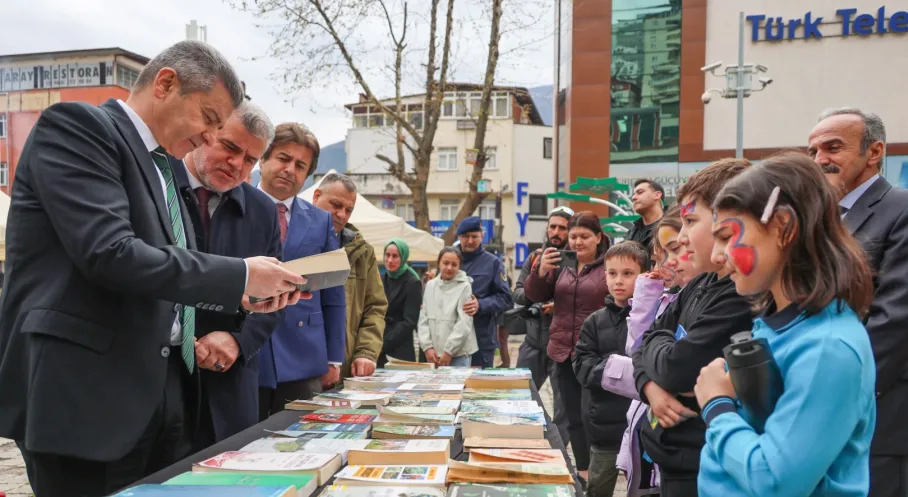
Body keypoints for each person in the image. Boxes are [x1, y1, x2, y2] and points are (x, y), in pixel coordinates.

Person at [0, 41, 305, 497]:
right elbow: (110, 253)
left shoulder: (161, 167)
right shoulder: (80, 127)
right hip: (87, 399)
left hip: (163, 398)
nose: (209, 138)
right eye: (209, 118)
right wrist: (239, 276)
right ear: (165, 84)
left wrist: (245, 298)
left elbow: (162, 273)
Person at [696, 152, 876, 496]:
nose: (717, 256)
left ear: (783, 227)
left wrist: (717, 406)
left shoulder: (828, 348)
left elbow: (773, 481)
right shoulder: (780, 326)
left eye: (727, 236)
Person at [632, 159, 754, 497]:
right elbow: (644, 342)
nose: (683, 238)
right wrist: (650, 387)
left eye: (690, 222)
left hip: (698, 463)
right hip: (670, 454)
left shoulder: (738, 294)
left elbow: (677, 368)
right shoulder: (700, 284)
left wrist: (660, 359)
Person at [170, 102, 285, 447]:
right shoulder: (156, 184)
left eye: (250, 159)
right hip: (159, 384)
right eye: (230, 147)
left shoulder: (263, 210)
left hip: (230, 387)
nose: (237, 164)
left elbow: (274, 297)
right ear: (207, 132)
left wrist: (238, 341)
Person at [808, 108, 908, 497]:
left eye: (833, 147)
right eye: (813, 150)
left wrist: (836, 394)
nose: (820, 160)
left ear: (874, 152)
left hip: (877, 414)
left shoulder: (900, 209)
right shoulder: (817, 220)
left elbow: (896, 319)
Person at [257, 123, 346, 417]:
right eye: (283, 158)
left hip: (304, 355)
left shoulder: (321, 221)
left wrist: (334, 358)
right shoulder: (234, 206)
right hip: (246, 354)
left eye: (300, 166)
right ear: (262, 159)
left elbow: (334, 294)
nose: (289, 170)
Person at [524, 211, 611, 482]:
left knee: (591, 414)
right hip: (563, 350)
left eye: (584, 236)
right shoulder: (561, 264)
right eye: (573, 236)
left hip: (595, 352)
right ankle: (583, 470)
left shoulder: (609, 265)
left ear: (598, 237)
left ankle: (602, 468)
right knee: (573, 416)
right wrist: (540, 272)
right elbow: (533, 294)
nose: (577, 242)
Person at [574, 241, 648, 497]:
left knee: (643, 488)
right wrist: (618, 371)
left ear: (644, 275)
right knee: (598, 487)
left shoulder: (655, 317)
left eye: (628, 273)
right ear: (604, 275)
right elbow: (582, 364)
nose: (619, 281)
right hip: (605, 425)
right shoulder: (595, 322)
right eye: (612, 273)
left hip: (643, 428)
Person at [313, 172, 388, 378]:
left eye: (349, 210)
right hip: (300, 371)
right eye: (336, 205)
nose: (342, 215)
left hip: (348, 371)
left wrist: (366, 352)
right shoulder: (292, 239)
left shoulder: (363, 252)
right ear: (316, 196)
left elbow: (375, 306)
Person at [512, 206, 572, 445]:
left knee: (563, 410)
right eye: (553, 227)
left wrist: (559, 305)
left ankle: (558, 453)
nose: (556, 232)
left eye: (563, 228)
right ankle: (519, 445)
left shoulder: (579, 260)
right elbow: (517, 293)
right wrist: (534, 296)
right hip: (534, 342)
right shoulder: (535, 257)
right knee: (518, 398)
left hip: (563, 347)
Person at [455, 216, 513, 368]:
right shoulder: (450, 260)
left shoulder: (493, 263)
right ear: (459, 237)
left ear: (481, 236)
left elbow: (505, 298)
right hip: (451, 339)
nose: (470, 241)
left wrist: (480, 305)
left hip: (481, 339)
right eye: (466, 236)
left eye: (474, 236)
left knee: (479, 382)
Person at [418, 247, 479, 367]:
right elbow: (423, 318)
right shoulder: (430, 285)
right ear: (439, 263)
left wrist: (449, 351)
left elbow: (464, 323)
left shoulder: (465, 286)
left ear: (459, 266)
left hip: (459, 354)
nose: (449, 268)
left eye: (454, 264)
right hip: (433, 354)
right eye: (445, 263)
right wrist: (427, 347)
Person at [378, 239, 424, 365]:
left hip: (399, 349)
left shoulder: (412, 282)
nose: (390, 260)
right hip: (378, 347)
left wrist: (384, 344)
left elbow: (409, 321)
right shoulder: (381, 279)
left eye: (395, 256)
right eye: (387, 255)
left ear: (403, 257)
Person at [625, 179, 666, 251]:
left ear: (657, 195)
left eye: (640, 192)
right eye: (634, 194)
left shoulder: (674, 225)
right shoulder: (632, 233)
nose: (633, 197)